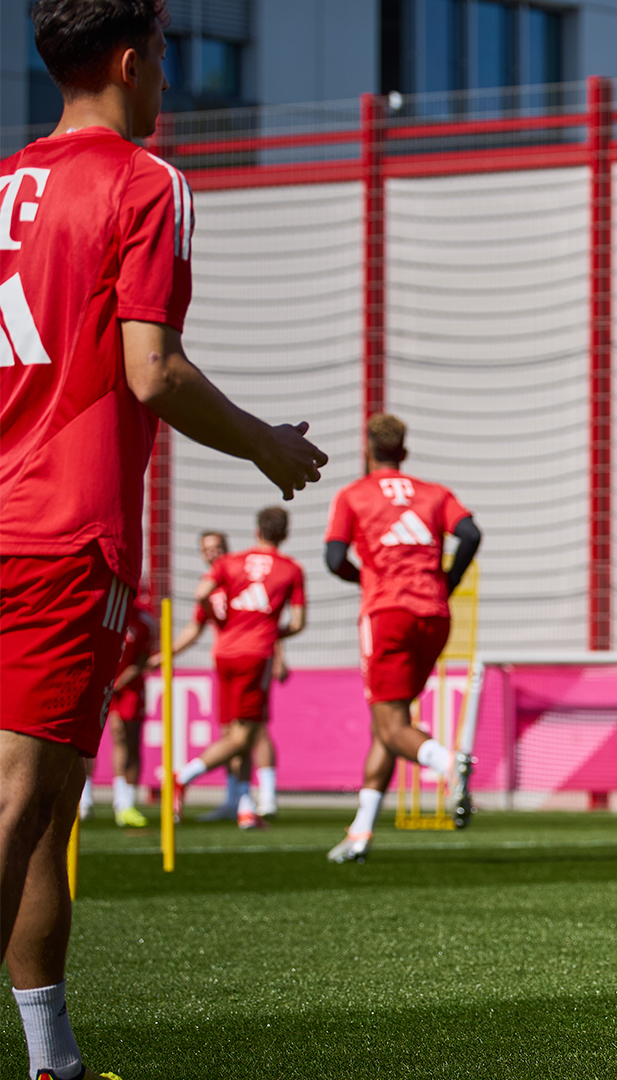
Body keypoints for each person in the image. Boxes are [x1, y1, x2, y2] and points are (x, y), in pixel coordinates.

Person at [0, 2, 327, 1075]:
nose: (168, 83)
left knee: (45, 812)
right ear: (136, 64)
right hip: (61, 531)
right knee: (18, 804)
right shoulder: (147, 181)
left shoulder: (4, 182)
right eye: (167, 62)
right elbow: (157, 371)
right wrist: (267, 448)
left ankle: (54, 1057)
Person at [323, 412, 480, 863]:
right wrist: (445, 582)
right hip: (433, 615)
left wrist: (366, 579)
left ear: (367, 450)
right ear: (404, 452)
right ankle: (361, 831)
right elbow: (470, 533)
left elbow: (334, 558)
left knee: (391, 725)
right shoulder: (434, 493)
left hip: (388, 613)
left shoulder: (353, 494)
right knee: (388, 725)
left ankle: (449, 764)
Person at [169, 507, 305, 829]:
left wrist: (223, 622)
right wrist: (272, 631)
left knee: (238, 732)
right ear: (285, 534)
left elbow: (201, 593)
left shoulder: (229, 564)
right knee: (248, 733)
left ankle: (245, 807)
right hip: (255, 655)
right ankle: (183, 776)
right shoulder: (291, 569)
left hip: (224, 654)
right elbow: (298, 623)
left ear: (256, 531)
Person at [80, 595, 158, 828]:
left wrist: (118, 683)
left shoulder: (144, 620)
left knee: (127, 738)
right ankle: (84, 799)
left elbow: (142, 659)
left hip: (128, 686)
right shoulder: (98, 608)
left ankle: (125, 803)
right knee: (84, 740)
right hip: (97, 679)